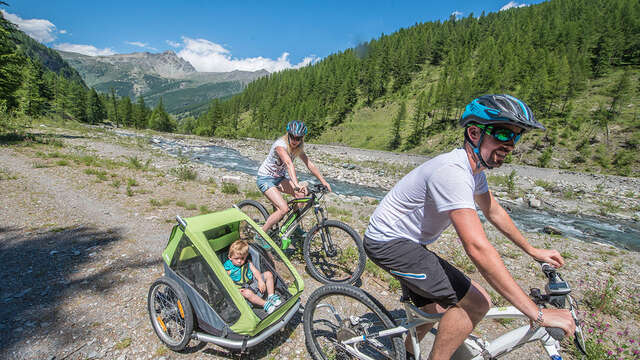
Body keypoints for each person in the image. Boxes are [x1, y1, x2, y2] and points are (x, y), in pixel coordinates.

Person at [363, 94, 575, 360]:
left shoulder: (474, 172)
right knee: (477, 302)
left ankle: (405, 353)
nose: (510, 145)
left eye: (516, 137)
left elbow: (493, 210)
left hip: (408, 241)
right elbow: (476, 247)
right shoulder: (452, 172)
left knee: (436, 307)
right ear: (474, 133)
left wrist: (532, 249)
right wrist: (537, 313)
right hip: (389, 242)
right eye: (502, 134)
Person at [256, 120, 332, 246]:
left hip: (279, 178)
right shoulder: (280, 145)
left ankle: (293, 226)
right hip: (266, 178)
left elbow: (309, 164)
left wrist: (324, 181)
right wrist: (296, 185)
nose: (295, 140)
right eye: (292, 137)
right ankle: (260, 235)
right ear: (288, 134)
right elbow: (288, 163)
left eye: (298, 138)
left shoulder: (298, 148)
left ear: (302, 138)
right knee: (284, 208)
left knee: (301, 196)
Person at [224, 239, 281, 314]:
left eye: (242, 258)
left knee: (268, 274)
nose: (239, 261)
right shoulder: (228, 267)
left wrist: (260, 280)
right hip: (241, 289)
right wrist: (236, 290)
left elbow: (255, 271)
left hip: (252, 283)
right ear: (230, 257)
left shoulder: (247, 262)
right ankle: (265, 304)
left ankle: (271, 296)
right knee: (247, 293)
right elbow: (225, 281)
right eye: (236, 258)